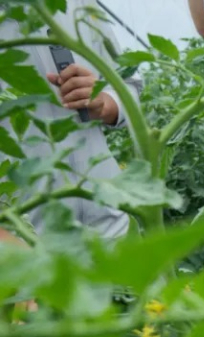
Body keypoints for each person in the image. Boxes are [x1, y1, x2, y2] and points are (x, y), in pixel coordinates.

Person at [0, 0, 139, 239]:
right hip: (28, 237)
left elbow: (130, 86)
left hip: (110, 223)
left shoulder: (79, 5)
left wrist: (104, 102)